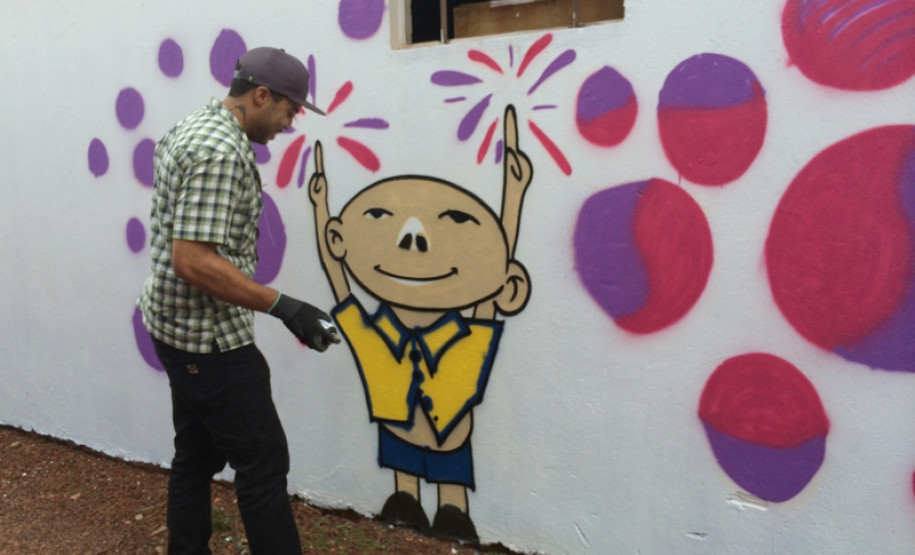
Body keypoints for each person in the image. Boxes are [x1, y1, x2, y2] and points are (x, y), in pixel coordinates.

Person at [138, 46, 340, 554]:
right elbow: (193, 261)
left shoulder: (196, 126)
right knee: (263, 462)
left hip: (172, 327)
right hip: (206, 341)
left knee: (196, 452)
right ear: (261, 95)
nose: (290, 123)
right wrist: (285, 307)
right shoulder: (221, 153)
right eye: (289, 109)